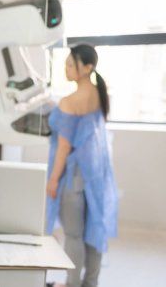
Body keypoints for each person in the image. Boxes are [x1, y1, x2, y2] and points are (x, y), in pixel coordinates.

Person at [45, 44, 118, 287]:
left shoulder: (69, 101)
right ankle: (90, 283)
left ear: (87, 68)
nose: (66, 68)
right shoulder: (101, 95)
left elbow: (64, 149)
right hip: (96, 174)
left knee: (74, 235)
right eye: (65, 63)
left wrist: (53, 180)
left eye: (70, 64)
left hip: (73, 177)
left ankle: (72, 284)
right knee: (94, 230)